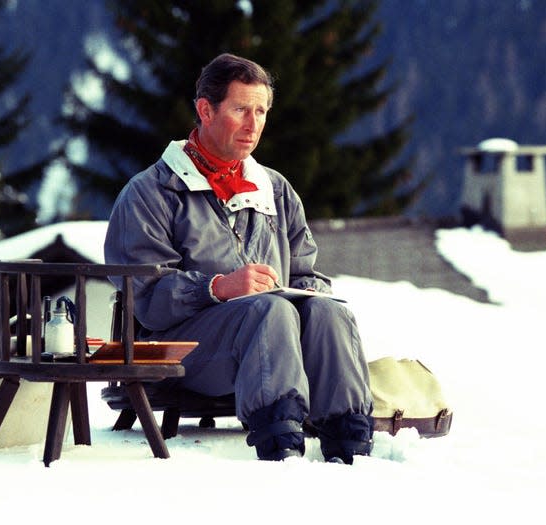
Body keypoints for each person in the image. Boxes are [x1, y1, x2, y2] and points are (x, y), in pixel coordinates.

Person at [104, 53, 373, 463]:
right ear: (205, 110)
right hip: (180, 350)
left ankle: (351, 442)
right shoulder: (150, 192)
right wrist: (216, 288)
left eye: (261, 111)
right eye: (240, 109)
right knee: (267, 312)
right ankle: (280, 444)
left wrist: (310, 297)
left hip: (272, 349)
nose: (253, 124)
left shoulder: (276, 190)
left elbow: (304, 272)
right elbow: (147, 297)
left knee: (329, 313)